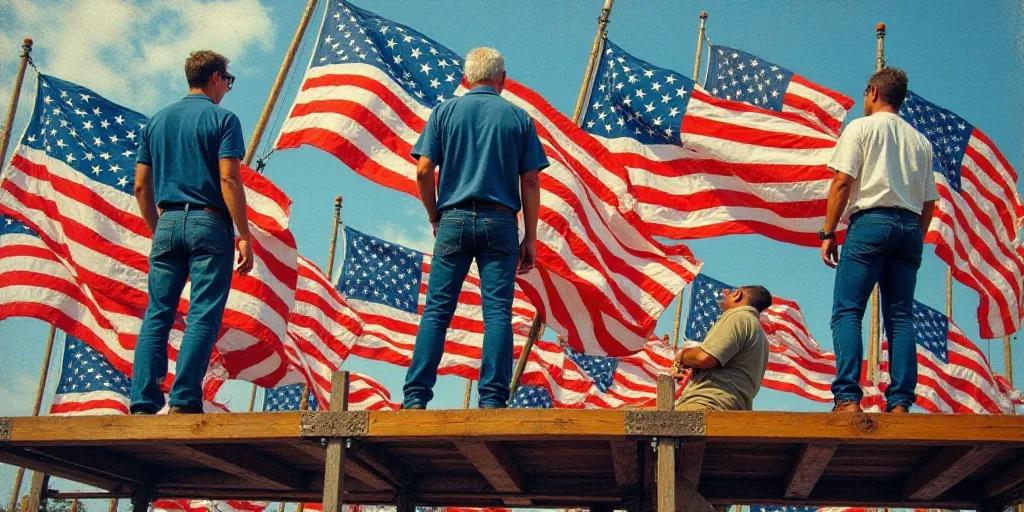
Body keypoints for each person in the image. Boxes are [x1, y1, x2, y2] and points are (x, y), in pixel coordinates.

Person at [402, 47, 548, 410]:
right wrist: (529, 236)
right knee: (497, 312)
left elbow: (423, 170)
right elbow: (530, 181)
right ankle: (493, 400)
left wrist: (435, 216)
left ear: (467, 79)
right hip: (500, 222)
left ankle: (415, 398)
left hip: (451, 217)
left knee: (437, 311)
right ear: (503, 78)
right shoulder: (519, 119)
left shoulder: (444, 112)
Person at [130, 50, 252, 414]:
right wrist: (243, 234)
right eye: (228, 81)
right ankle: (184, 399)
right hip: (209, 221)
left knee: (158, 314)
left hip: (166, 220)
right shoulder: (224, 120)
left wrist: (159, 229)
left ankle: (142, 402)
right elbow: (229, 178)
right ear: (215, 77)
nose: (228, 89)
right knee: (202, 313)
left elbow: (140, 187)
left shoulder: (156, 122)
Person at [820, 68, 937, 414]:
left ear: (873, 92)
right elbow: (929, 202)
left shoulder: (860, 127)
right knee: (900, 317)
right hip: (910, 228)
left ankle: (847, 398)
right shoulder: (921, 141)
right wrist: (916, 234)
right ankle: (900, 402)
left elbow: (842, 182)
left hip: (870, 222)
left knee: (848, 311)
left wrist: (828, 233)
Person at [673, 286, 773, 411]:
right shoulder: (759, 333)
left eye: (730, 293)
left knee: (646, 423)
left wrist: (681, 356)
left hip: (708, 404)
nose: (725, 295)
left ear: (737, 295)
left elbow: (703, 358)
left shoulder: (738, 317)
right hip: (731, 409)